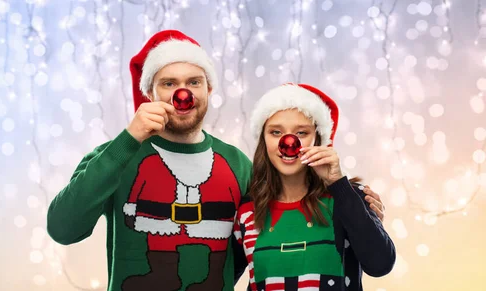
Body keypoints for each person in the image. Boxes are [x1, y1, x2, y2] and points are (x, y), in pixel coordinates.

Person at [47, 29, 387, 291]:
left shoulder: (237, 164)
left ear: (209, 90)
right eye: (169, 83)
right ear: (150, 93)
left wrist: (353, 205)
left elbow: (257, 240)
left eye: (194, 82)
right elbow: (63, 229)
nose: (183, 93)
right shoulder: (116, 155)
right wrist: (128, 140)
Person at [233, 83, 396, 291]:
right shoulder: (247, 211)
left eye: (301, 133)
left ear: (318, 139)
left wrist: (338, 183)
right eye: (275, 132)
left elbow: (380, 264)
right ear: (263, 141)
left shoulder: (348, 198)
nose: (288, 142)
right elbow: (221, 278)